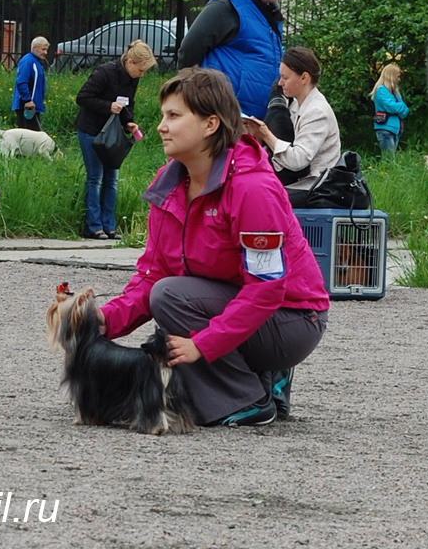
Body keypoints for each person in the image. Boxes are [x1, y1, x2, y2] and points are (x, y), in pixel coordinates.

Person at [95, 67, 329, 427]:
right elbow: (153, 272)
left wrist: (202, 345)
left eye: (174, 116)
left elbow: (267, 288)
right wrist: (104, 319)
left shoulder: (253, 189)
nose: (161, 126)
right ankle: (263, 378)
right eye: (162, 116)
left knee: (171, 297)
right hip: (243, 305)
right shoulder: (168, 181)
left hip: (293, 318)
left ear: (210, 125)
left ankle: (248, 399)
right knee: (167, 290)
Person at [177, 0, 287, 119]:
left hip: (255, 119)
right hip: (225, 114)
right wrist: (191, 99)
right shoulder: (228, 5)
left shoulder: (271, 13)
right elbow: (189, 50)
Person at [76, 40, 156, 240]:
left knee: (112, 179)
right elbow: (83, 97)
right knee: (95, 178)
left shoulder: (133, 78)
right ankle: (93, 226)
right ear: (129, 62)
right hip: (92, 131)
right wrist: (108, 106)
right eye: (140, 69)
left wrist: (129, 122)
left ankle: (109, 225)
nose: (141, 74)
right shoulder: (104, 72)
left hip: (113, 135)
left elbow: (129, 104)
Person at [243, 47, 341, 207]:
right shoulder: (297, 104)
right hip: (301, 184)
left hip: (314, 188)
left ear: (304, 78)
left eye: (285, 77)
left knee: (256, 199)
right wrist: (256, 134)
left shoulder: (317, 111)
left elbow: (298, 161)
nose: (280, 83)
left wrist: (266, 134)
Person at [11, 36, 50, 131]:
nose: (45, 53)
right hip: (26, 105)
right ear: (34, 48)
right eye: (43, 49)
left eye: (46, 49)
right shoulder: (28, 61)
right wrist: (27, 100)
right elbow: (21, 82)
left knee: (33, 136)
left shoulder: (36, 62)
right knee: (29, 136)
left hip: (33, 106)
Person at [369, 63, 409, 154]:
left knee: (392, 160)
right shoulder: (381, 90)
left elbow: (405, 112)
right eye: (398, 77)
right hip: (385, 129)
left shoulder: (395, 92)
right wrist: (401, 106)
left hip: (396, 129)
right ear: (391, 76)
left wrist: (400, 107)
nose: (399, 80)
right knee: (389, 160)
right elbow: (392, 107)